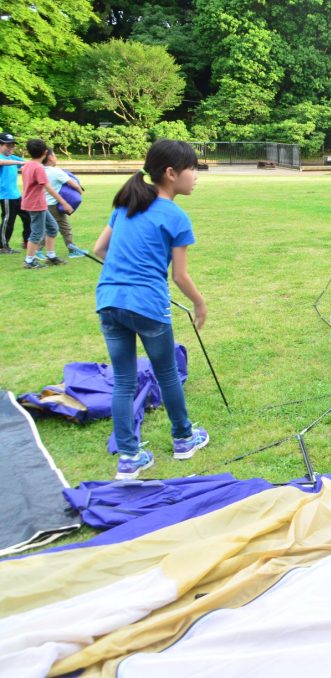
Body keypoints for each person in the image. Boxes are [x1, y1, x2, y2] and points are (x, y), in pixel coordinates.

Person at [93, 140, 210, 480]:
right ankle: (184, 439)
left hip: (108, 301)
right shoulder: (175, 215)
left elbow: (101, 249)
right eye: (193, 169)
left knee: (124, 381)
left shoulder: (127, 204)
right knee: (167, 373)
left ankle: (129, 458)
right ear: (171, 174)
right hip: (146, 305)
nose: (197, 176)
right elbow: (180, 276)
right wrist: (199, 303)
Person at [20, 139, 73, 269]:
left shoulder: (27, 165)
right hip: (36, 204)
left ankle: (51, 256)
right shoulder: (38, 168)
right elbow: (48, 187)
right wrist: (64, 202)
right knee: (37, 233)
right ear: (45, 152)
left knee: (53, 228)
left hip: (35, 203)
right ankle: (29, 261)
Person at [43, 148, 88, 258]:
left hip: (43, 204)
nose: (56, 158)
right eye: (54, 155)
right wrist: (80, 192)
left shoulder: (41, 170)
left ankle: (37, 251)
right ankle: (72, 250)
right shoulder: (56, 171)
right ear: (50, 157)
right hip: (54, 205)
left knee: (47, 227)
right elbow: (74, 184)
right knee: (65, 228)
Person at [0, 132, 28, 254]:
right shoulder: (4, 159)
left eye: (12, 145)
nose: (11, 148)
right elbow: (2, 162)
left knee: (29, 217)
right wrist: (19, 163)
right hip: (5, 196)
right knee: (8, 221)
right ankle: (2, 247)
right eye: (8, 145)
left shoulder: (12, 158)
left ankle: (27, 242)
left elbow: (26, 162)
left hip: (16, 195)